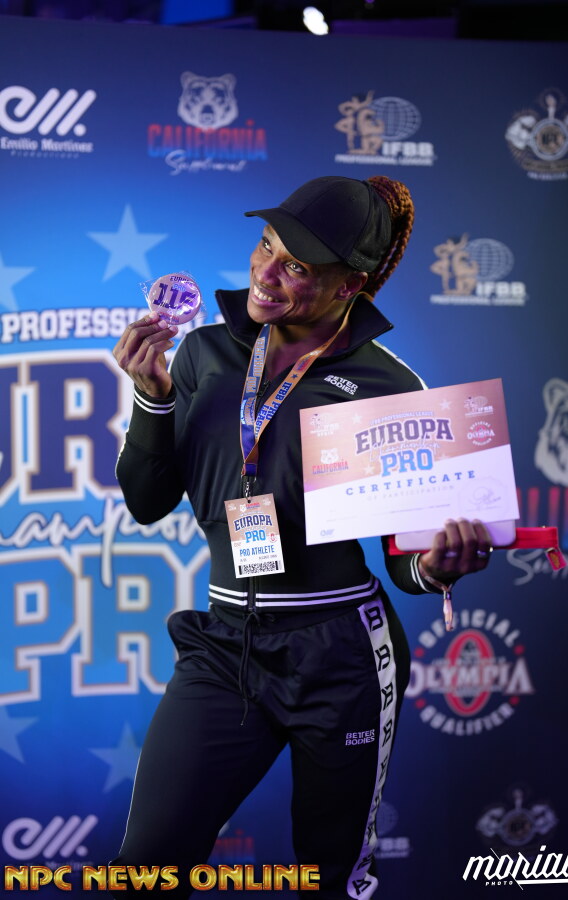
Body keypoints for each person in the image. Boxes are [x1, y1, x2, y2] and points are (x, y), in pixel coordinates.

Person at [110, 175, 492, 899]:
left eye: (297, 267)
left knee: (330, 876)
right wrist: (152, 399)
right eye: (265, 246)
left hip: (342, 657)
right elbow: (146, 502)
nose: (266, 273)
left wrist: (438, 565)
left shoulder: (390, 389)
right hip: (226, 645)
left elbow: (406, 561)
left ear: (351, 285)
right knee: (145, 868)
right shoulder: (205, 355)